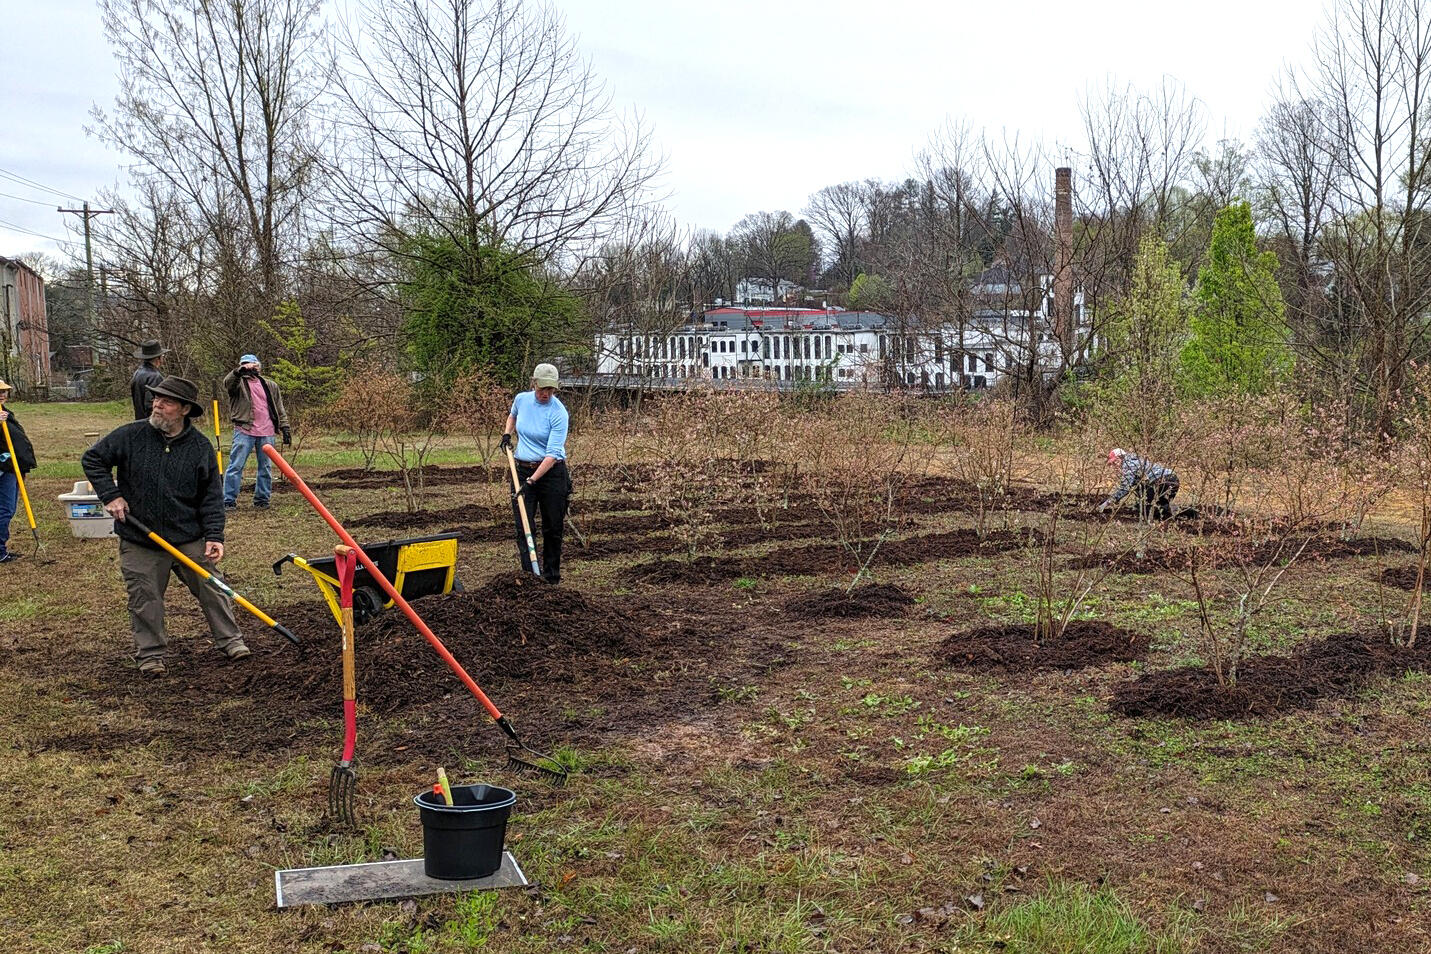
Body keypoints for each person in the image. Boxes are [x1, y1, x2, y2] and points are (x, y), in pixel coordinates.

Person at [82, 375, 249, 677]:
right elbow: (93, 459)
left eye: (166, 401)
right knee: (145, 598)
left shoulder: (200, 448)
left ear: (185, 409)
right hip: (141, 538)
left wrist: (214, 535)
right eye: (156, 399)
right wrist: (112, 495)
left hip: (188, 537)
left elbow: (211, 497)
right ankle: (151, 655)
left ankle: (231, 641)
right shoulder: (130, 435)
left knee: (214, 589)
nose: (156, 405)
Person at [500, 363, 571, 585]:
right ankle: (529, 578)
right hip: (521, 470)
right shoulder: (522, 399)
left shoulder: (559, 413)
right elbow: (513, 415)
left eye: (550, 390)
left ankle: (551, 578)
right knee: (524, 526)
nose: (546, 394)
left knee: (553, 527)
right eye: (542, 389)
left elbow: (551, 455)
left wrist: (532, 481)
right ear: (534, 384)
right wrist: (506, 434)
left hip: (551, 474)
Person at [221, 354, 290, 511]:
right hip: (245, 429)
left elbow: (279, 408)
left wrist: (285, 427)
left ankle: (262, 499)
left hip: (267, 431)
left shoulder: (270, 385)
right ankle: (228, 500)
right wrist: (239, 371)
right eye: (245, 365)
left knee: (265, 467)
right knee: (236, 465)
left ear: (259, 366)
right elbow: (228, 383)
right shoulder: (238, 384)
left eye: (252, 365)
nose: (250, 368)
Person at [0, 378, 37, 564]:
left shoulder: (5, 412)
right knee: (4, 509)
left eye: (4, 391)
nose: (2, 395)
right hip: (4, 468)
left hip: (13, 467)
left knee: (8, 508)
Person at [1099, 448, 1179, 520]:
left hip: (1161, 481)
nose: (1114, 466)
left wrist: (1108, 502)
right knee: (1162, 507)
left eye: (1114, 462)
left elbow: (1125, 488)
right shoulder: (1136, 460)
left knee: (1143, 506)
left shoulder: (1128, 465)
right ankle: (1186, 513)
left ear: (1120, 457)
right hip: (1173, 479)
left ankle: (1149, 526)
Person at [130, 339, 168, 420]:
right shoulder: (155, 376)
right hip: (151, 423)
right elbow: (151, 404)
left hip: (139, 422)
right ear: (158, 358)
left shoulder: (138, 372)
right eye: (163, 356)